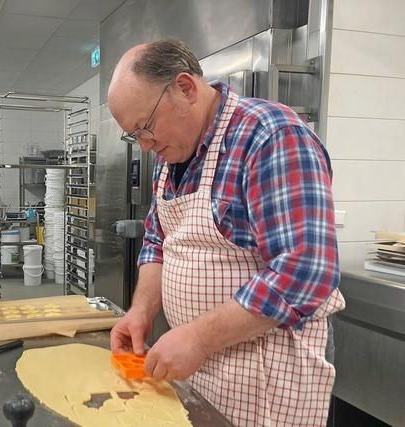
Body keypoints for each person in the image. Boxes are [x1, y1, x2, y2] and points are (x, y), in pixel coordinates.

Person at [107, 40, 345, 426]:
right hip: (204, 369)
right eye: (134, 136)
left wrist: (199, 338)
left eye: (145, 127)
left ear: (185, 88)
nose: (146, 145)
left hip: (268, 376)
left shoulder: (270, 136)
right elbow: (157, 240)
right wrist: (141, 310)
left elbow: (306, 268)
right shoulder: (171, 156)